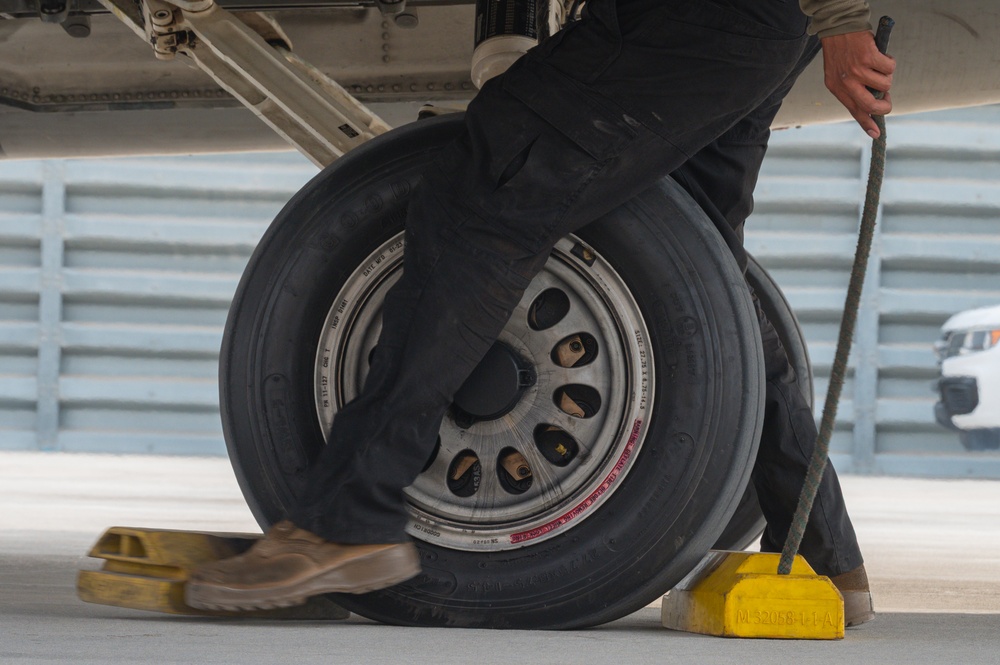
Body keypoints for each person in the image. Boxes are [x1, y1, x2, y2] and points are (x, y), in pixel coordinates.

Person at [185, 0, 895, 627]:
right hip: (735, 22)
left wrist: (840, 18)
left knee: (489, 185)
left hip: (705, 16)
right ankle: (823, 553)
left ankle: (345, 520)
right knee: (695, 255)